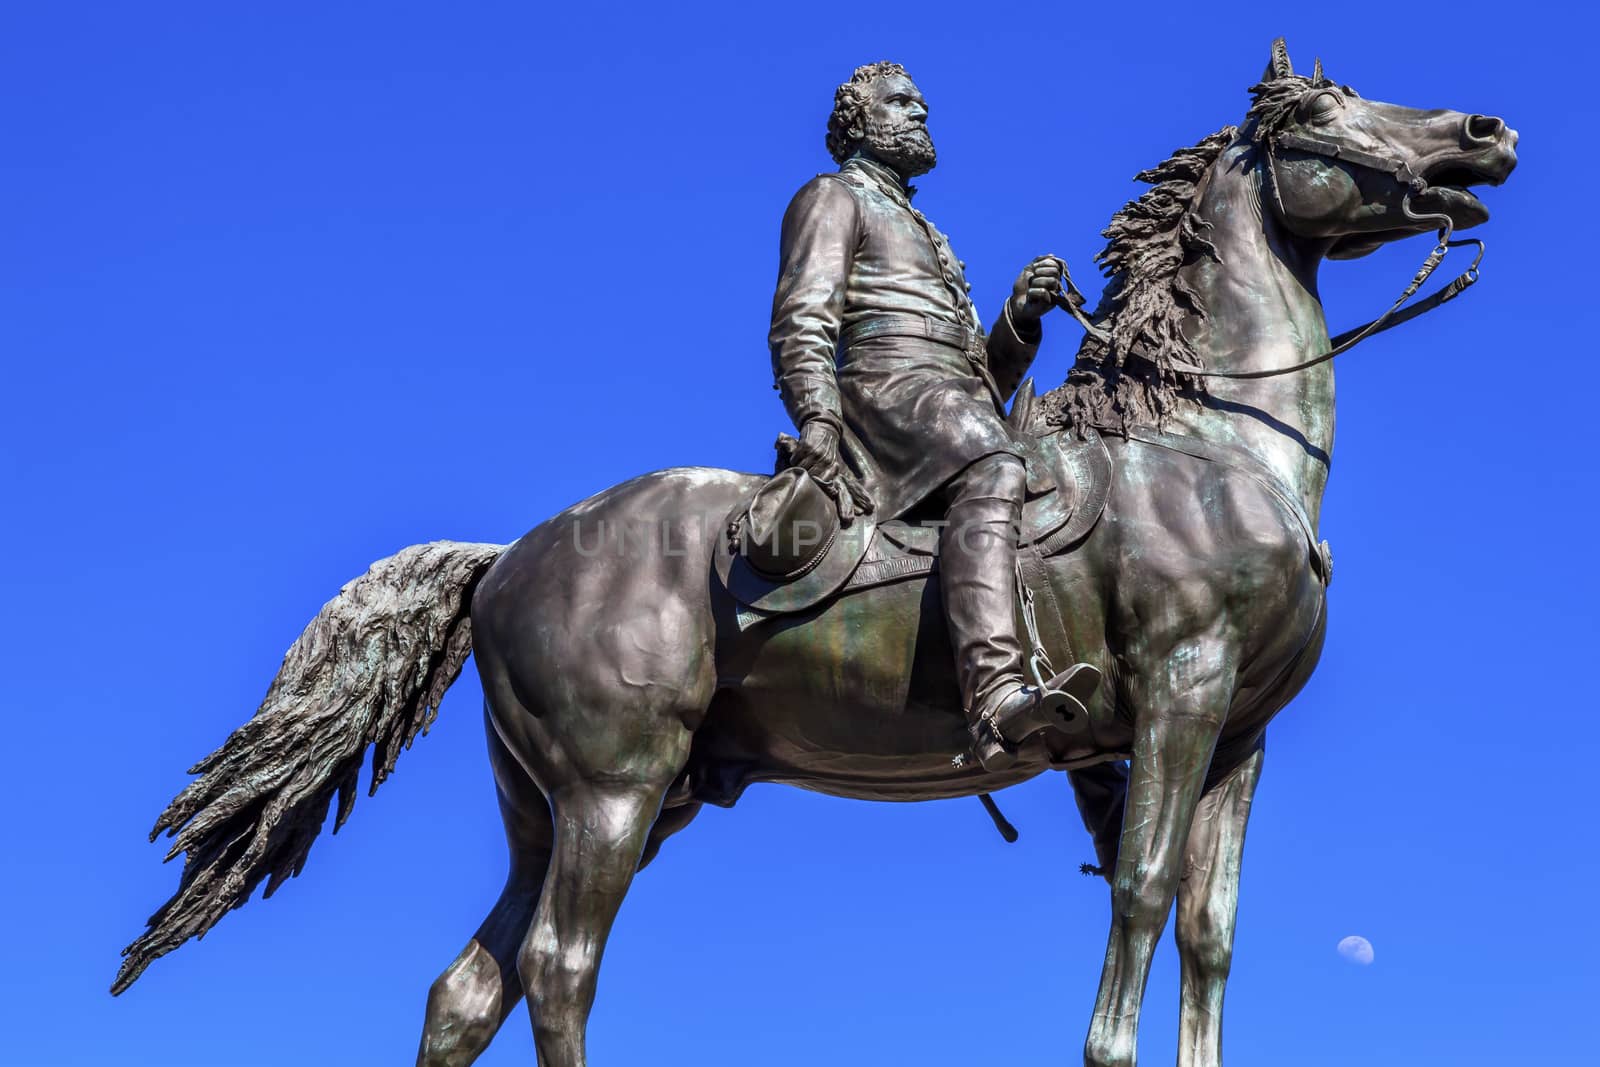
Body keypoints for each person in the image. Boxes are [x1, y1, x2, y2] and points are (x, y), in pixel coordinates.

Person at [768, 61, 1099, 770]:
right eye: (900, 101)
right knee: (992, 460)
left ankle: (1096, 769)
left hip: (942, 400)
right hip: (882, 394)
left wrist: (1017, 320)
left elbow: (977, 381)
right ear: (860, 121)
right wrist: (819, 421)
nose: (920, 111)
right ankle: (996, 696)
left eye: (921, 102)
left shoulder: (923, 226)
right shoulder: (832, 196)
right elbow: (802, 321)